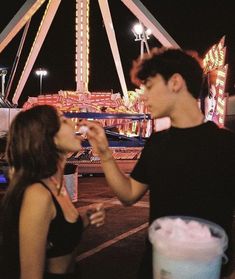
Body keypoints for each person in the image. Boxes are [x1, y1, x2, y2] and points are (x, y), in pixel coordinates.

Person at [83, 47, 235, 278]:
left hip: (210, 270)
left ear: (175, 82)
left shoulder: (226, 145)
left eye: (150, 86)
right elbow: (129, 194)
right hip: (156, 268)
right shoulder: (157, 142)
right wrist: (104, 153)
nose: (144, 96)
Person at [0, 105, 105, 279]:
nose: (73, 125)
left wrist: (85, 217)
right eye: (63, 121)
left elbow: (57, 233)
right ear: (50, 138)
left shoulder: (56, 184)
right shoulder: (37, 194)